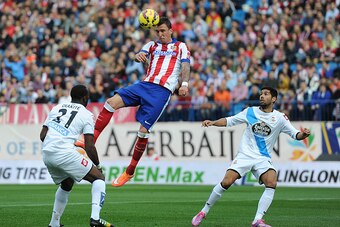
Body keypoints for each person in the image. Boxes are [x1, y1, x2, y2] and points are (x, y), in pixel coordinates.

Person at [76, 17, 191, 187]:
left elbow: (185, 66)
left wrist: (185, 84)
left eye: (163, 31)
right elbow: (140, 55)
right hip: (144, 85)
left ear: (171, 30)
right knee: (110, 102)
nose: (160, 34)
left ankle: (130, 171)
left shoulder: (180, 46)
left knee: (143, 131)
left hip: (161, 91)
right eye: (157, 31)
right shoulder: (152, 45)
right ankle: (89, 141)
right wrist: (139, 56)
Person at [191, 87, 310, 227]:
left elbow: (295, 134)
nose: (261, 96)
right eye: (261, 93)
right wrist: (213, 122)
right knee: (226, 182)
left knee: (271, 182)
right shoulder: (250, 111)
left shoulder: (280, 118)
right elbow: (230, 121)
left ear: (273, 99)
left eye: (266, 94)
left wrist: (304, 134)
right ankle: (203, 212)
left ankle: (257, 220)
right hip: (245, 155)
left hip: (262, 158)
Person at [40, 85, 114, 227]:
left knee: (67, 183)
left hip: (47, 153)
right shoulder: (86, 114)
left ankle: (54, 224)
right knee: (98, 178)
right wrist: (97, 166)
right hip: (64, 153)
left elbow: (42, 135)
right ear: (85, 98)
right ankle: (95, 219)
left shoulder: (56, 108)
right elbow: (89, 146)